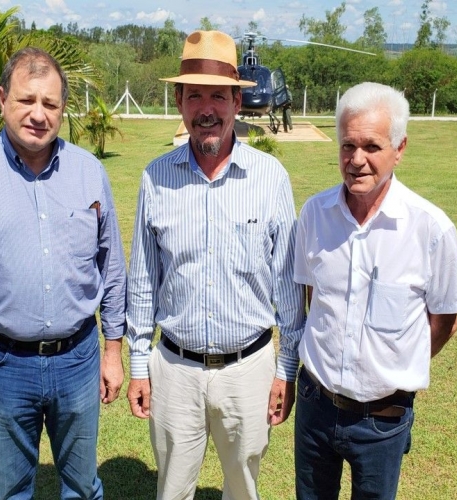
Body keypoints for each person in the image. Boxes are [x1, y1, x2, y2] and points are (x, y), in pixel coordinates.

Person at [125, 31, 306, 500]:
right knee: (172, 489)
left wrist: (286, 370)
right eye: (196, 95)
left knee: (243, 488)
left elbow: (288, 287)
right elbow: (144, 281)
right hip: (174, 369)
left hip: (249, 369)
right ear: (180, 101)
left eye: (219, 96)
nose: (208, 108)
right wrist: (140, 365)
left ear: (237, 102)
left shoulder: (270, 179)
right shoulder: (155, 177)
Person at [292, 82, 457, 499]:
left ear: (399, 148)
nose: (357, 160)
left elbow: (444, 323)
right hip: (315, 405)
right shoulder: (315, 215)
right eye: (347, 146)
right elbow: (312, 298)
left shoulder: (431, 229)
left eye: (372, 146)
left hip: (383, 420)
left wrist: (396, 366)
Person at [0, 47, 127, 499]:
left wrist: (112, 352)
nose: (38, 114)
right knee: (12, 487)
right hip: (4, 363)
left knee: (81, 485)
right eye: (26, 100)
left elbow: (110, 266)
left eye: (50, 104)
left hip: (78, 358)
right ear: (2, 99)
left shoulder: (88, 172)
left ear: (61, 109)